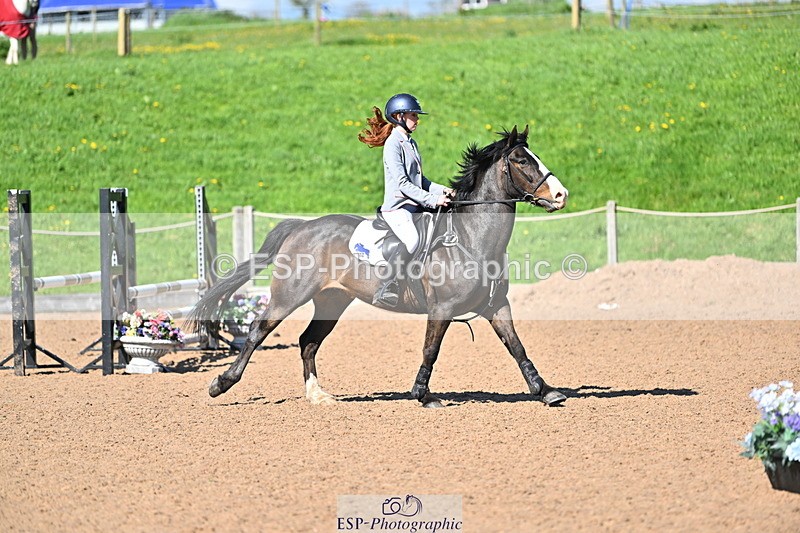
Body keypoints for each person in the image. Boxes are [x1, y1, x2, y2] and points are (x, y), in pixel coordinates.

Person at [358, 93, 454, 308]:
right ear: (399, 116)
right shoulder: (393, 143)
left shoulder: (410, 142)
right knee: (412, 240)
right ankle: (386, 287)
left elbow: (421, 180)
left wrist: (444, 190)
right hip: (398, 208)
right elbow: (402, 183)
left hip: (415, 206)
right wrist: (432, 200)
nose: (417, 120)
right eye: (413, 115)